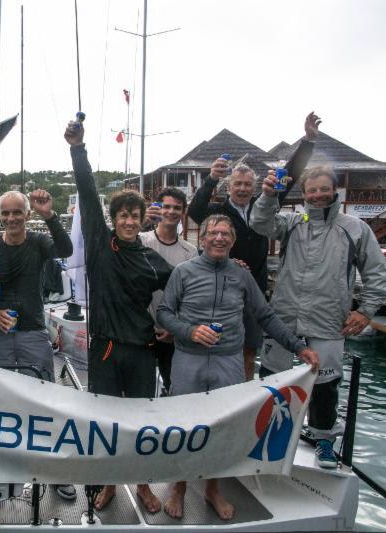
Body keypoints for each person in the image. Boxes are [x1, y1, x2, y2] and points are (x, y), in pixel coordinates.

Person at [157, 214, 319, 520]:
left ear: (232, 240)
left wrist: (299, 347)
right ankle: (178, 487)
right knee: (183, 423)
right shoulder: (183, 271)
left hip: (228, 360)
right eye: (213, 233)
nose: (219, 238)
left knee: (221, 428)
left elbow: (266, 315)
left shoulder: (241, 275)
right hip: (188, 358)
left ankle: (212, 488)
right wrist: (189, 331)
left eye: (225, 234)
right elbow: (165, 312)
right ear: (201, 239)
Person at [64, 120, 173, 514]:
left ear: (144, 219)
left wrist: (172, 326)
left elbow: (184, 285)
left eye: (134, 216)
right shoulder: (99, 245)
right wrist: (79, 149)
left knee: (142, 424)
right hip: (105, 349)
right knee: (106, 423)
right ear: (114, 218)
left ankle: (142, 485)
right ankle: (109, 484)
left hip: (143, 351)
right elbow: (89, 195)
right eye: (122, 215)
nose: (128, 221)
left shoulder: (151, 259)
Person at [250, 165, 386, 468]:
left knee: (326, 387)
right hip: (284, 318)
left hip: (328, 322)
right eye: (312, 190)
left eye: (324, 189)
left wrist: (365, 311)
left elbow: (377, 272)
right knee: (273, 380)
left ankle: (324, 440)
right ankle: (267, 434)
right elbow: (259, 221)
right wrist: (267, 194)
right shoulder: (292, 222)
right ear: (305, 194)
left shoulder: (354, 227)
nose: (318, 195)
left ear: (334, 191)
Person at [187, 112, 320, 380]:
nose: (243, 189)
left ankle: (243, 398)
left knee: (249, 350)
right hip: (221, 289)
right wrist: (211, 179)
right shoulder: (218, 210)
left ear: (255, 186)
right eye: (238, 184)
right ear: (229, 185)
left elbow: (291, 176)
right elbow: (195, 209)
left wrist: (307, 142)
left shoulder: (266, 205)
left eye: (248, 184)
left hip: (254, 289)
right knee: (217, 348)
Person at [0, 189, 75, 501]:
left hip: (32, 331)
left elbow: (66, 250)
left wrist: (50, 215)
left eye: (18, 212)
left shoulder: (39, 243)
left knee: (43, 402)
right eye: (6, 213)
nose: (12, 218)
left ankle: (53, 472)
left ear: (27, 215)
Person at [140, 188, 198, 394]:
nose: (171, 212)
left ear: (183, 212)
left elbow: (192, 296)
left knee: (174, 389)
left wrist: (175, 329)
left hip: (172, 333)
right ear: (158, 209)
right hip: (142, 331)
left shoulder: (190, 251)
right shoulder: (141, 241)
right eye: (166, 206)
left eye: (177, 208)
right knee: (141, 392)